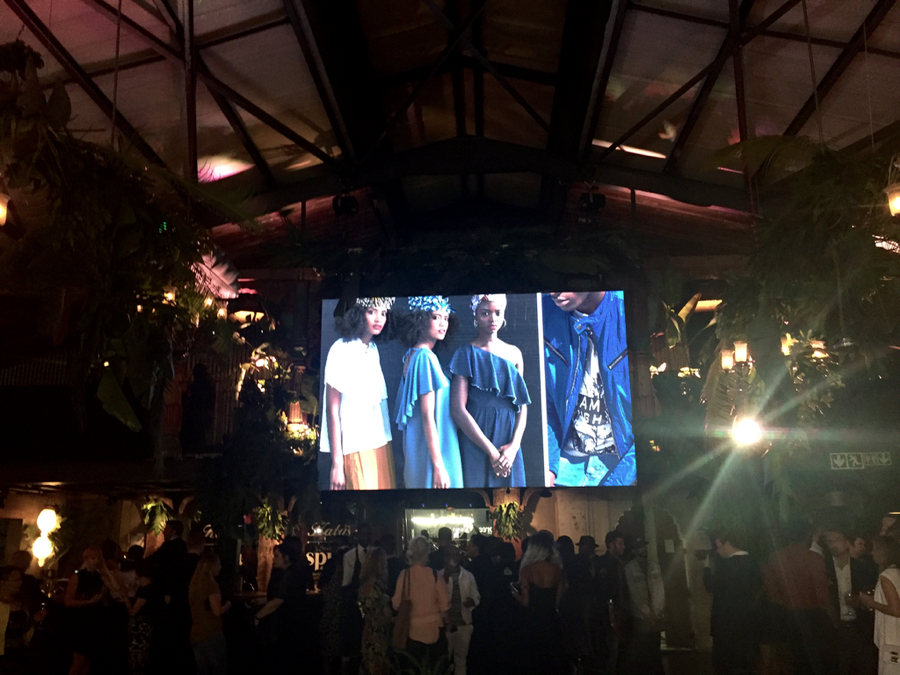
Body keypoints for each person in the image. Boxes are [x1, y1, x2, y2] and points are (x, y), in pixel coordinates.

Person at [542, 292, 634, 487]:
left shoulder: (629, 308)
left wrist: (619, 481)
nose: (552, 292)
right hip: (563, 469)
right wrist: (549, 465)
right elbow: (544, 402)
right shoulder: (543, 312)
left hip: (623, 468)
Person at [450, 294, 531, 488]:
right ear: (476, 315)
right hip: (475, 439)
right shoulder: (465, 353)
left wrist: (513, 447)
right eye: (485, 313)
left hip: (508, 439)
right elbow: (458, 410)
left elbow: (521, 406)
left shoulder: (515, 353)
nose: (493, 319)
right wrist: (492, 453)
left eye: (497, 313)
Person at [321, 297, 397, 490]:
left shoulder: (373, 349)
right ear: (358, 314)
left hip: (380, 443)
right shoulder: (340, 349)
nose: (379, 319)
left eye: (383, 313)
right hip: (354, 446)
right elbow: (332, 410)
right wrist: (337, 464)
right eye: (372, 312)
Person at [395, 296, 463, 489]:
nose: (443, 323)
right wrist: (439, 467)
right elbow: (427, 416)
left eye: (446, 318)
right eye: (435, 317)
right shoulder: (425, 358)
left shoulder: (412, 355)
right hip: (435, 453)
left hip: (419, 449)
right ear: (421, 319)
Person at [763, 521, 836, 675]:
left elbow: (771, 592)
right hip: (815, 616)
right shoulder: (814, 558)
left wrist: (787, 602)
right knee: (818, 662)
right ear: (807, 536)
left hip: (789, 615)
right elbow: (822, 593)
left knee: (795, 661)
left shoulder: (775, 557)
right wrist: (831, 617)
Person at [703, 530, 763, 675]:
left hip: (725, 623)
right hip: (747, 620)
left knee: (726, 664)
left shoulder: (726, 565)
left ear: (728, 544)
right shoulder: (753, 562)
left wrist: (706, 568)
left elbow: (711, 586)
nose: (718, 551)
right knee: (746, 663)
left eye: (719, 547)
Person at [823, 528, 879, 675]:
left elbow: (873, 592)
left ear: (847, 542)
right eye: (829, 541)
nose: (833, 544)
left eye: (837, 539)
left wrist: (861, 601)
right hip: (836, 625)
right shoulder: (824, 567)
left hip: (860, 623)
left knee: (864, 663)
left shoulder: (861, 567)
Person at [392, 536, 450, 670]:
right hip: (434, 629)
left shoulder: (404, 575)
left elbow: (396, 603)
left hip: (412, 629)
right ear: (427, 553)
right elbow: (445, 604)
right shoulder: (435, 575)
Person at [514, 530, 564, 675]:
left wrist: (514, 594)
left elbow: (525, 602)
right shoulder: (558, 570)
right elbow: (558, 601)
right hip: (552, 620)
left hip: (533, 621)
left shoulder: (527, 570)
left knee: (533, 662)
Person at [255, 544, 310, 668]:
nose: (273, 559)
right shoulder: (293, 572)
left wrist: (257, 616)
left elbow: (278, 601)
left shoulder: (288, 574)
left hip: (289, 625)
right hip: (294, 623)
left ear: (286, 558)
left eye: (276, 556)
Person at [858, 536, 900, 675]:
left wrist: (871, 602)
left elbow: (896, 609)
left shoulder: (887, 576)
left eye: (875, 549)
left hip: (892, 640)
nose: (872, 553)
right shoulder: (896, 572)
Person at [624, 536, 665, 675]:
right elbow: (634, 593)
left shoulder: (654, 566)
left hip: (655, 614)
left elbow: (660, 589)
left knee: (655, 648)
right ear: (634, 550)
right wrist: (647, 612)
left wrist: (657, 610)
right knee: (643, 649)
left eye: (644, 546)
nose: (644, 549)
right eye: (640, 547)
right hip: (640, 616)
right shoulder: (629, 568)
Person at [188, 551, 230, 675]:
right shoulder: (211, 584)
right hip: (211, 631)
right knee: (219, 668)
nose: (220, 567)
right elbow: (217, 611)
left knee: (202, 669)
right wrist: (228, 605)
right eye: (218, 564)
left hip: (196, 632)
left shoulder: (194, 583)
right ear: (212, 566)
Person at [442, 547, 480, 675]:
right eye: (451, 555)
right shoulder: (439, 576)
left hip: (464, 624)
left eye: (456, 554)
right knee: (443, 661)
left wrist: (472, 602)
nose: (454, 557)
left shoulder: (468, 576)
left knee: (461, 660)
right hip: (445, 626)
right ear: (445, 558)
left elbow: (476, 596)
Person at [358, 547, 393, 675]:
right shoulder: (378, 587)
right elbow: (387, 614)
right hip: (379, 635)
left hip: (367, 631)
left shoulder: (363, 586)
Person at [127, 559, 161, 675]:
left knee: (138, 656)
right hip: (147, 626)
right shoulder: (151, 588)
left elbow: (133, 612)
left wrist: (125, 598)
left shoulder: (146, 591)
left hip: (141, 628)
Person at [1, 565, 37, 673]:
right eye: (16, 580)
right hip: (4, 658)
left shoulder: (22, 602)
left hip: (22, 656)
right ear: (3, 582)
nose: (20, 583)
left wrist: (35, 620)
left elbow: (26, 631)